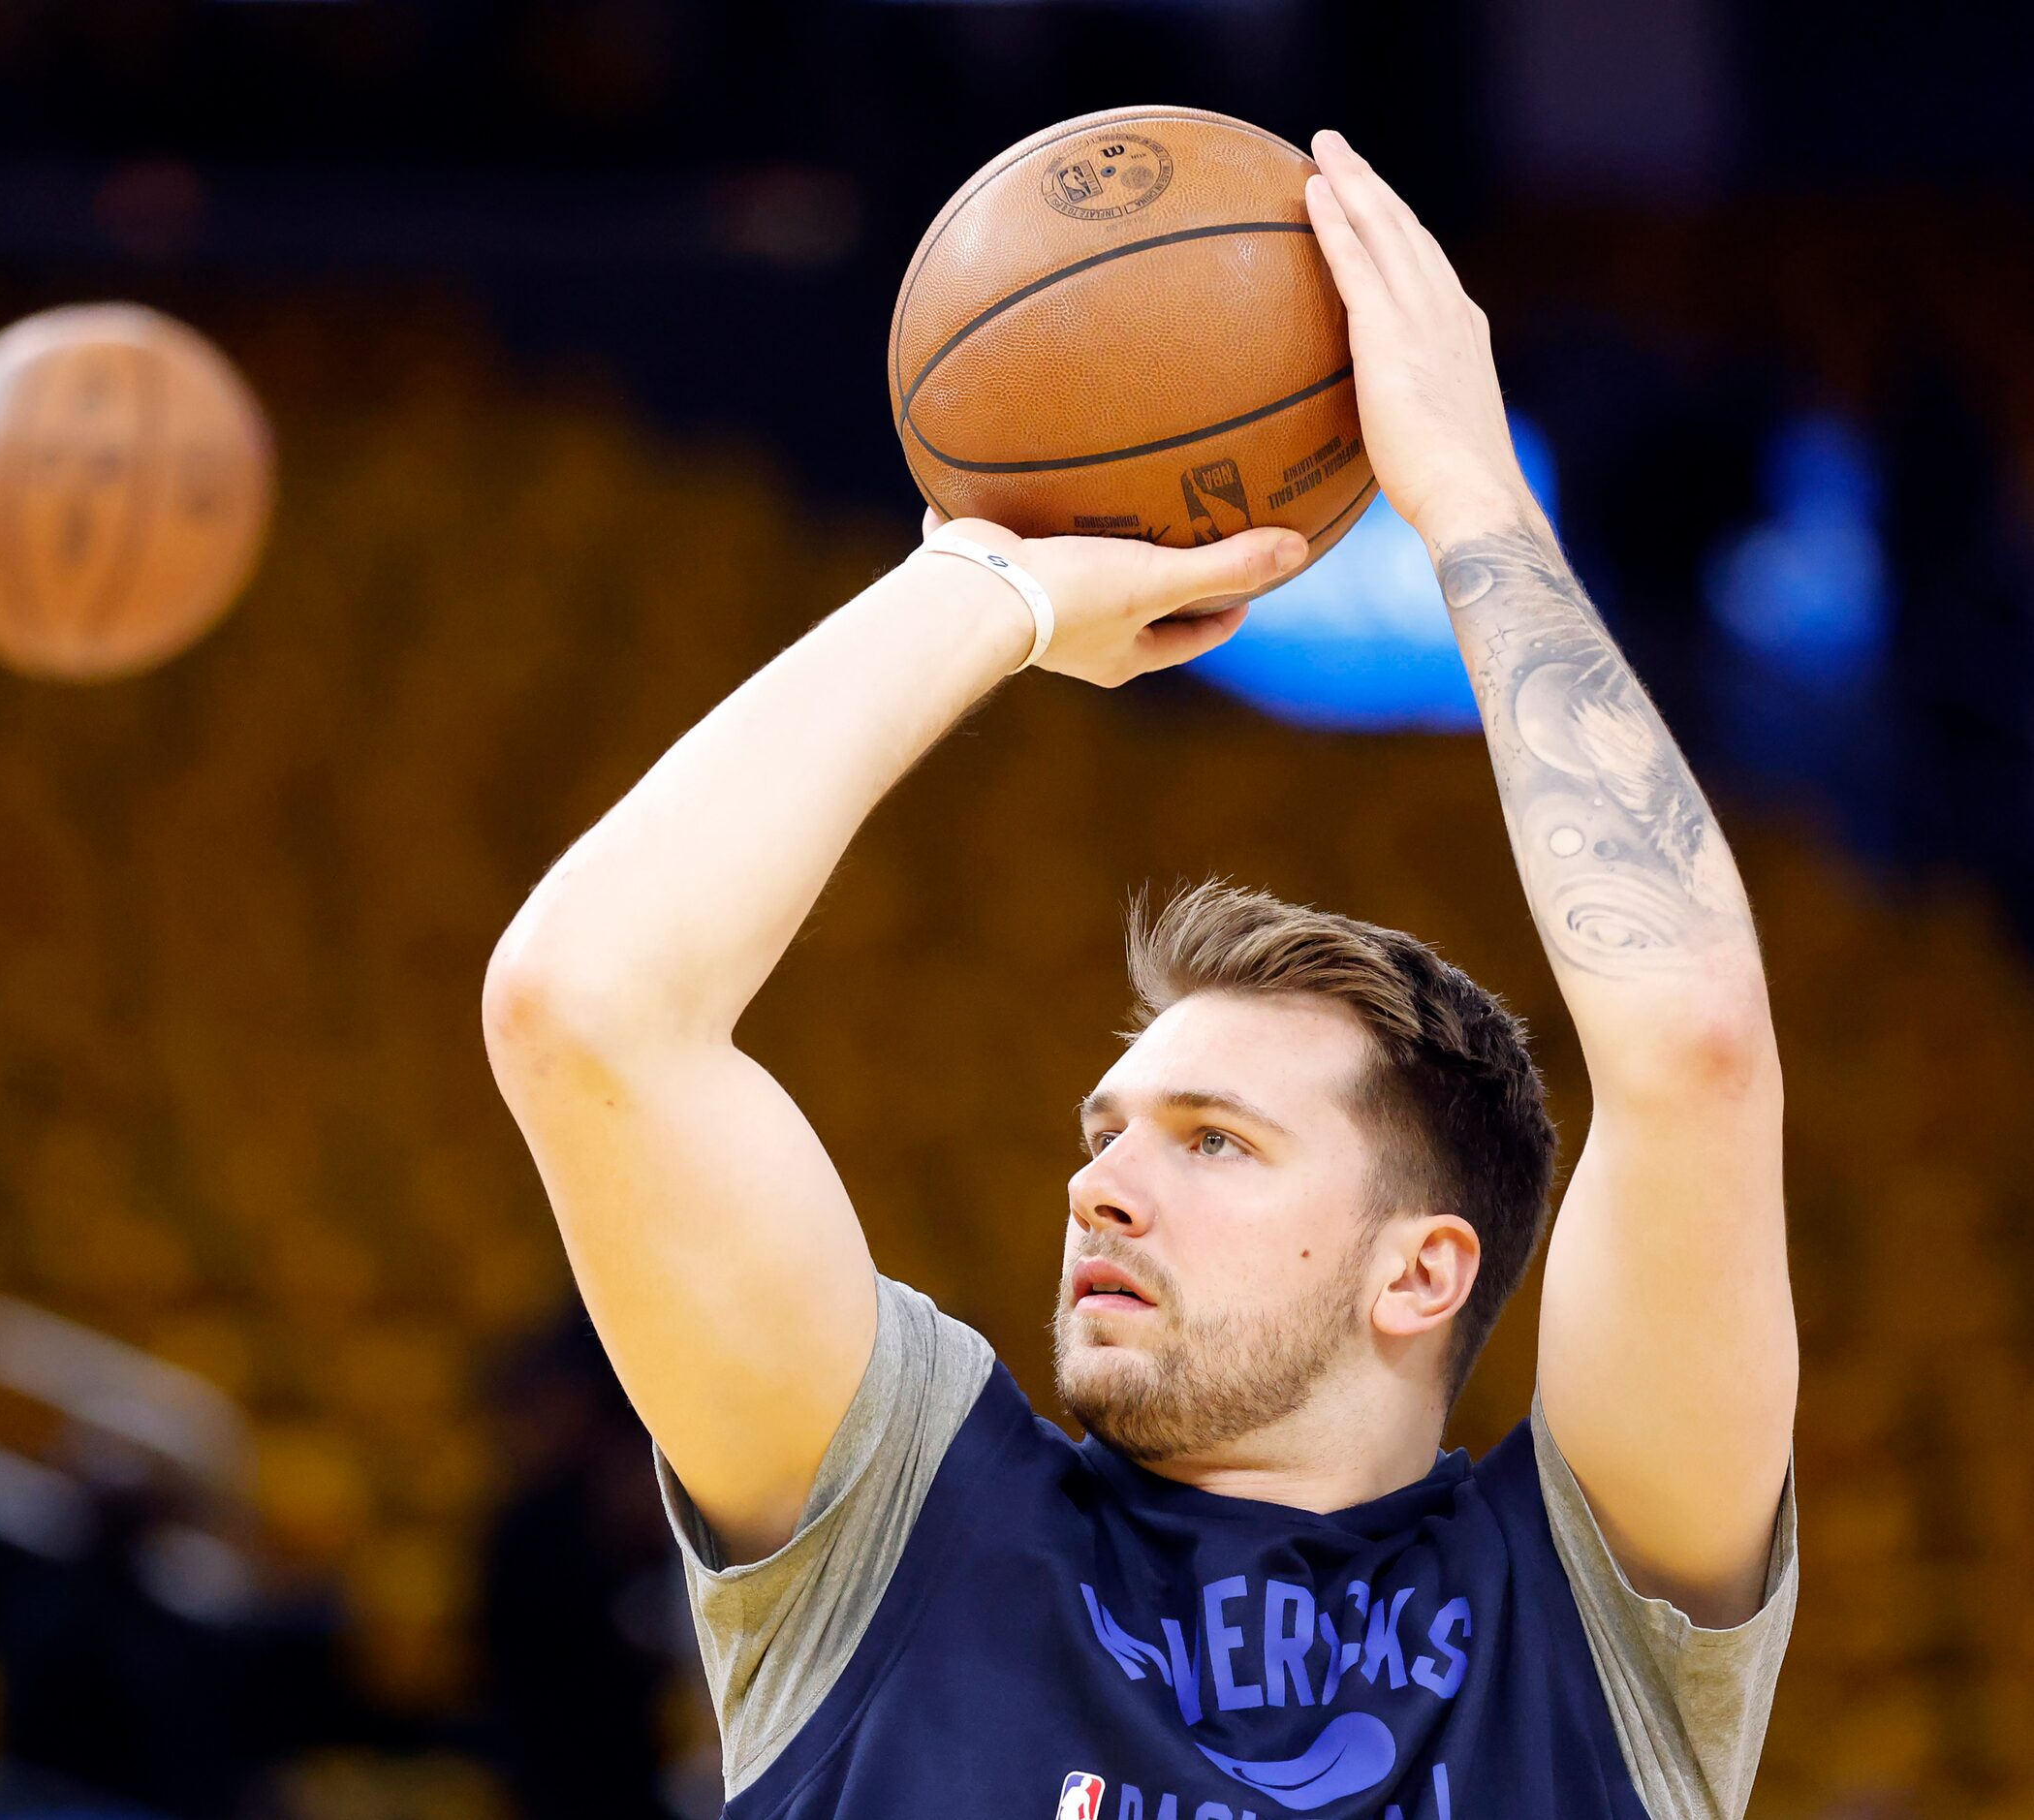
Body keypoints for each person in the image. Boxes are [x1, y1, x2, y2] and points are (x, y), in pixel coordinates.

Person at [481, 129, 1797, 1820]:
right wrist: (988, 580)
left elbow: (1689, 1041)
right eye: (1110, 1130)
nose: (1100, 1186)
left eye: (1213, 1139)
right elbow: (583, 1006)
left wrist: (1468, 489)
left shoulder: (1589, 1613)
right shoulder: (904, 1520)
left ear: (1422, 1270)